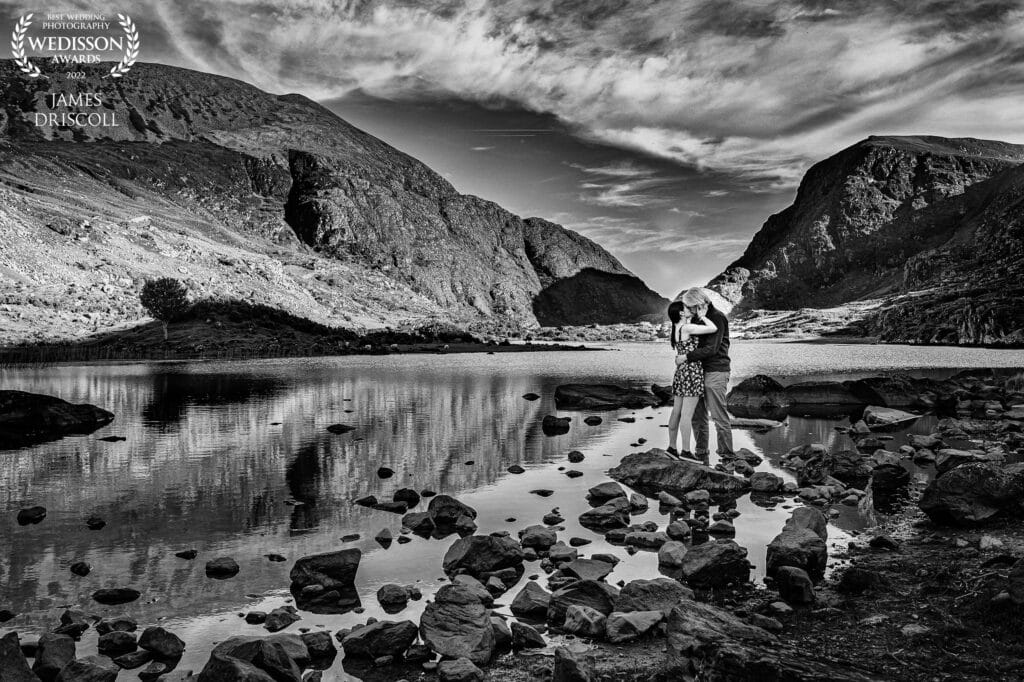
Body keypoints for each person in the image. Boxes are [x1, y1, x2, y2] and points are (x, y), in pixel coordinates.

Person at [676, 287, 734, 459]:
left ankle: (727, 455)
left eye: (691, 307)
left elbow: (712, 348)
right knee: (697, 416)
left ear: (700, 303)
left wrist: (686, 356)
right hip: (698, 372)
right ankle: (701, 453)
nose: (690, 310)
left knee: (718, 416)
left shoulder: (717, 318)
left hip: (716, 371)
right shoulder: (699, 320)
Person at [665, 300, 718, 459]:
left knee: (676, 412)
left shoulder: (675, 329)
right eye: (687, 308)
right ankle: (686, 452)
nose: (690, 309)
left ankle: (672, 448)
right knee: (687, 415)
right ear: (681, 313)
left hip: (681, 372)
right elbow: (713, 328)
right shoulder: (687, 327)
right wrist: (703, 316)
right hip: (691, 372)